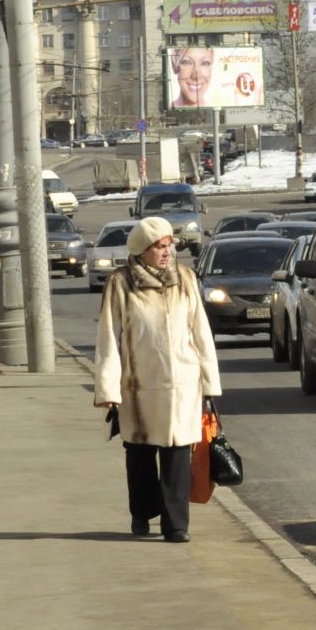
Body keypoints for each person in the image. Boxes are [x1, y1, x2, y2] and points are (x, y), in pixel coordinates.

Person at [92, 217, 221, 542]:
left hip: (182, 385)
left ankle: (176, 524)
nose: (167, 251)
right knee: (139, 454)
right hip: (139, 386)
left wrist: (209, 382)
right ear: (141, 250)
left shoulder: (186, 279)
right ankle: (142, 511)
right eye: (159, 246)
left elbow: (201, 333)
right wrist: (108, 387)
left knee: (178, 453)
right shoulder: (121, 283)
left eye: (169, 244)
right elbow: (109, 337)